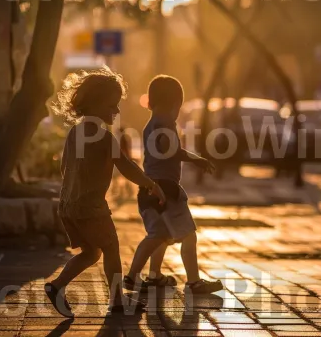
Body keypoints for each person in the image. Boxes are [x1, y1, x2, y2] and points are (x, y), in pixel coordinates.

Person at [46, 68, 166, 317]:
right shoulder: (103, 137)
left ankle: (56, 286)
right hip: (91, 207)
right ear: (95, 104)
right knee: (111, 248)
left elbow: (63, 166)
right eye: (113, 105)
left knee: (91, 252)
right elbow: (126, 167)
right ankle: (117, 301)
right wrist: (150, 184)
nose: (118, 111)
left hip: (68, 204)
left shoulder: (74, 133)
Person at [124, 75, 224, 294]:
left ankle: (151, 276)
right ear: (175, 103)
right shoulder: (164, 124)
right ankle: (194, 281)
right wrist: (196, 159)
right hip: (166, 189)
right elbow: (172, 151)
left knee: (159, 235)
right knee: (188, 234)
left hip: (149, 188)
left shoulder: (150, 125)